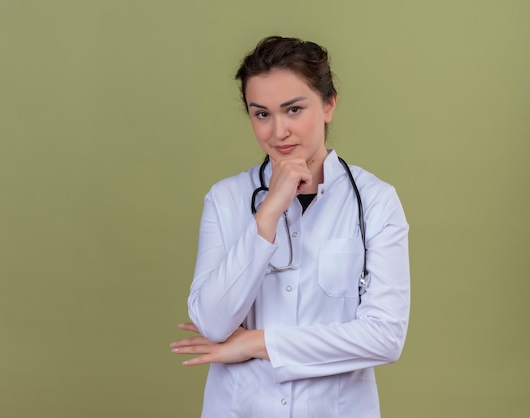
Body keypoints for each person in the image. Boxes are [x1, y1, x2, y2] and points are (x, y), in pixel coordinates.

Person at [170, 35, 410, 418]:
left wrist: (254, 342)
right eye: (261, 114)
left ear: (329, 105)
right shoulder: (227, 198)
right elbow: (212, 323)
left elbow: (384, 338)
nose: (277, 131)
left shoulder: (376, 201)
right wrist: (267, 213)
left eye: (293, 110)